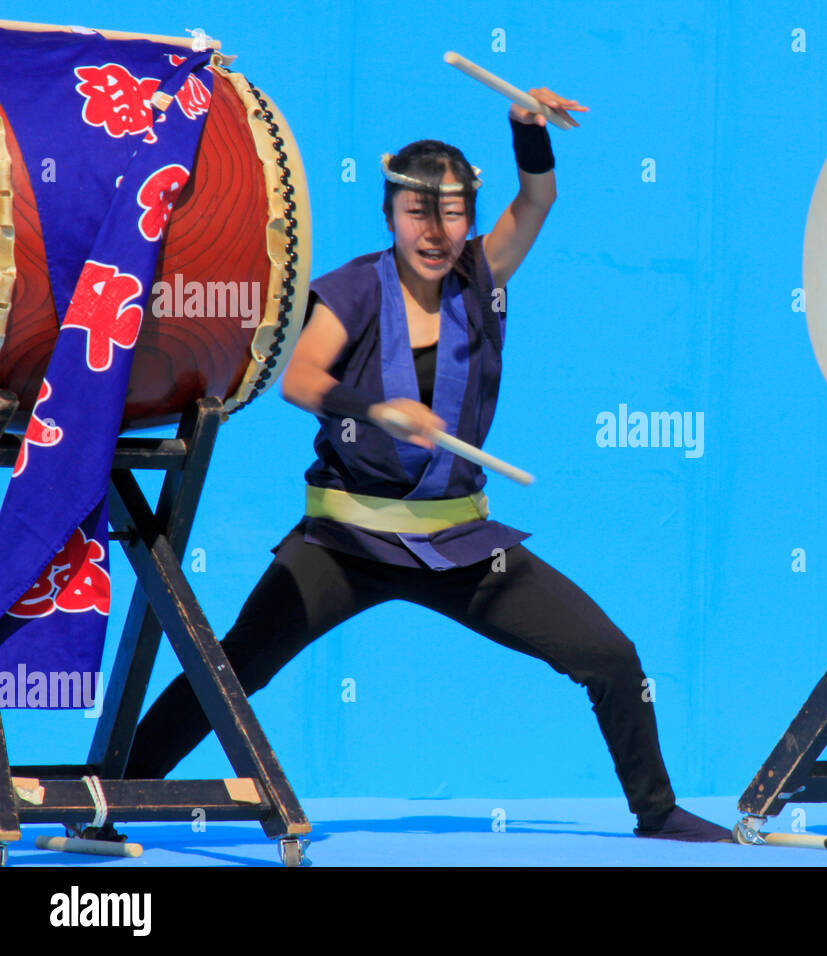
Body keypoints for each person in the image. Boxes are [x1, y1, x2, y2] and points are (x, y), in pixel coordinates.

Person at [124, 87, 731, 843]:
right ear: (391, 216)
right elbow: (301, 378)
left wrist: (527, 132)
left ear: (469, 219)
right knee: (230, 670)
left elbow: (537, 200)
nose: (436, 230)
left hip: (460, 548)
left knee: (611, 654)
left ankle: (657, 810)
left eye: (452, 213)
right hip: (346, 543)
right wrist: (378, 409)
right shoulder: (351, 289)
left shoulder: (483, 278)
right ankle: (115, 797)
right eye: (418, 211)